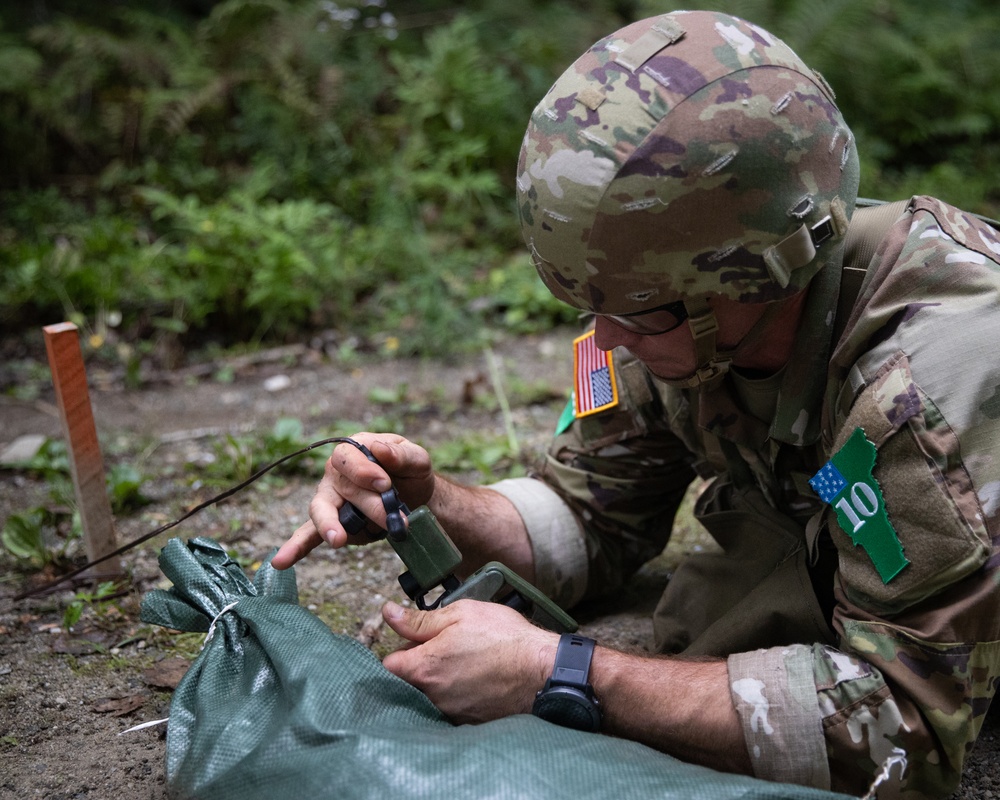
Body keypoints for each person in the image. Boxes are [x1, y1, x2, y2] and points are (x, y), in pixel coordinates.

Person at [273, 10, 1000, 798]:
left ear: (756, 273)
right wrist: (428, 502)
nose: (607, 340)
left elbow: (905, 735)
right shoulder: (686, 319)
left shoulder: (936, 378)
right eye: (593, 305)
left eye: (635, 310)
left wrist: (565, 676)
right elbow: (589, 513)